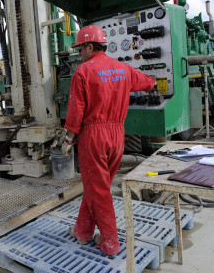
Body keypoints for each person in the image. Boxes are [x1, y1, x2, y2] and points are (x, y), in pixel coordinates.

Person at [62, 25, 155, 255]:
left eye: (80, 48)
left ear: (90, 46)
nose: (79, 53)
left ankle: (110, 243)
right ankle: (83, 232)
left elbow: (76, 110)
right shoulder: (122, 69)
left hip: (93, 136)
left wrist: (68, 139)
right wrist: (152, 83)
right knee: (96, 188)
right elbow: (148, 82)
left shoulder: (83, 72)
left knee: (99, 192)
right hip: (117, 136)